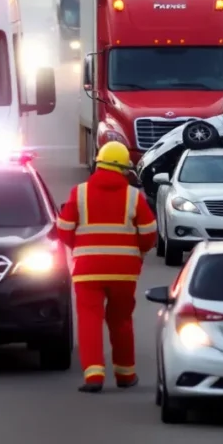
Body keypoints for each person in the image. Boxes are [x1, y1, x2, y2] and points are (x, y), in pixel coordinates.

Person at [55, 141, 158, 393]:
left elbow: (64, 229)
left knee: (90, 319)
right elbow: (149, 232)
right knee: (121, 320)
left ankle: (94, 376)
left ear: (98, 164)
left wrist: (79, 246)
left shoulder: (79, 193)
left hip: (88, 269)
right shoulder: (134, 196)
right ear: (124, 168)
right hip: (124, 270)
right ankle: (125, 374)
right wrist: (140, 253)